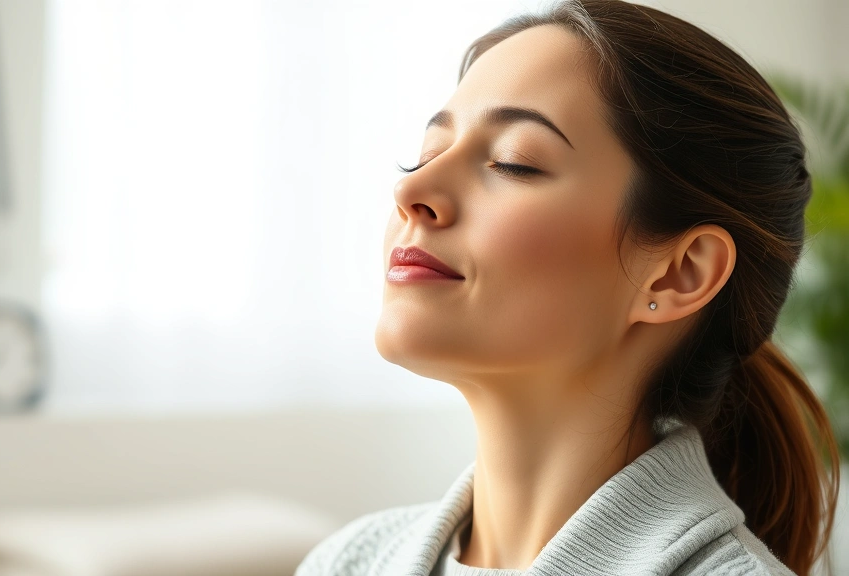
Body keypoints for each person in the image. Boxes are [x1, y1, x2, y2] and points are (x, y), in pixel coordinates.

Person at [294, 1, 841, 575]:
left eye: (513, 162)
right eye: (427, 155)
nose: (413, 191)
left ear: (680, 273)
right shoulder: (347, 563)